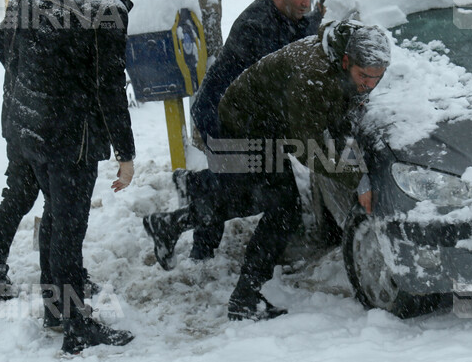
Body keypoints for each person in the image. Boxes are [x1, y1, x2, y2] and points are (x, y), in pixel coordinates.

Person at [143, 20, 391, 321]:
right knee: (282, 209)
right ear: (346, 61)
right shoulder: (311, 76)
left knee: (255, 198)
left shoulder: (342, 67)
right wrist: (358, 179)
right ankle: (245, 297)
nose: (369, 84)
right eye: (364, 76)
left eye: (377, 78)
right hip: (247, 123)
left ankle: (171, 223)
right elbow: (307, 147)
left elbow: (336, 115)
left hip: (272, 123)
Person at [5, 0, 138, 354]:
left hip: (30, 128)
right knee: (69, 228)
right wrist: (126, 152)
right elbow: (109, 87)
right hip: (71, 137)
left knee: (55, 217)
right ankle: (77, 327)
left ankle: (54, 309)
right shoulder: (104, 8)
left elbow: (6, 52)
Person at [156, 0, 314, 267]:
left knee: (247, 189)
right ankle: (205, 249)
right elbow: (276, 86)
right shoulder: (257, 27)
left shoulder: (290, 16)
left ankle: (193, 193)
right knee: (242, 192)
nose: (306, 3)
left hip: (250, 119)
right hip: (223, 117)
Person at [0, 0, 93, 298]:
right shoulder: (56, 2)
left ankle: (4, 267)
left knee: (24, 194)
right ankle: (57, 282)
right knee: (51, 201)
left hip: (20, 116)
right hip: (41, 120)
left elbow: (0, 44)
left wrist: (22, 74)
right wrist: (34, 75)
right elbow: (2, 44)